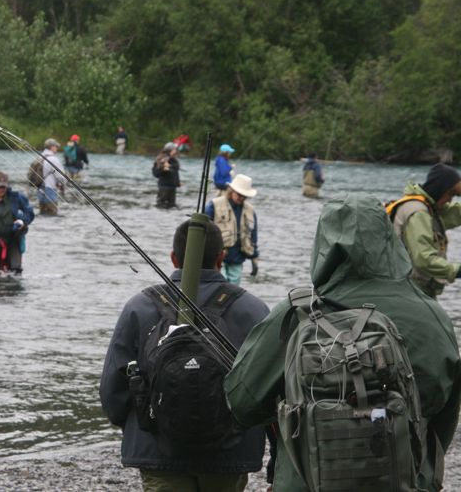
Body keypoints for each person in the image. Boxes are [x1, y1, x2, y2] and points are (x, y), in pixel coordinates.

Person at [224, 195, 461, 492]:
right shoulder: (432, 315)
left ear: (323, 245)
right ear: (389, 240)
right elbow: (445, 416)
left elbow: (241, 403)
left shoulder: (295, 312)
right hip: (407, 482)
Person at [100, 219, 270, 492]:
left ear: (173, 257)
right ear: (221, 257)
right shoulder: (254, 311)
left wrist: (143, 424)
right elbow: (270, 392)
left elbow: (112, 392)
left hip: (157, 452)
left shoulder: (138, 307)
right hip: (231, 453)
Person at [388, 163, 461, 297]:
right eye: (451, 194)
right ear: (440, 190)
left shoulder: (427, 208)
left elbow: (454, 214)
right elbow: (424, 260)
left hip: (410, 289)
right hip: (410, 291)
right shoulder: (418, 212)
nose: (450, 200)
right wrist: (457, 270)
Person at [205, 174, 259, 284]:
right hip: (217, 256)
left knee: (233, 289)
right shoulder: (214, 205)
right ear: (232, 190)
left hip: (238, 257)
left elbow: (253, 235)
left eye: (245, 195)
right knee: (219, 286)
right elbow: (204, 230)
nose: (242, 198)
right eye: (239, 194)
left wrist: (254, 258)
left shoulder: (250, 210)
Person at [38, 138, 65, 215]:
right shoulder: (53, 159)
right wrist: (62, 185)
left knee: (42, 213)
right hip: (50, 188)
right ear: (52, 147)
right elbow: (61, 176)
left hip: (40, 189)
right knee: (52, 213)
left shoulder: (39, 157)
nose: (57, 148)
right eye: (56, 146)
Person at [151, 142, 181, 209]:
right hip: (164, 187)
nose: (176, 151)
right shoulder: (161, 159)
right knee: (161, 206)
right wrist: (163, 168)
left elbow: (175, 171)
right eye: (174, 149)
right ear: (169, 150)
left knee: (172, 206)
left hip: (172, 187)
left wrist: (178, 182)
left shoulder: (174, 160)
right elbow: (156, 173)